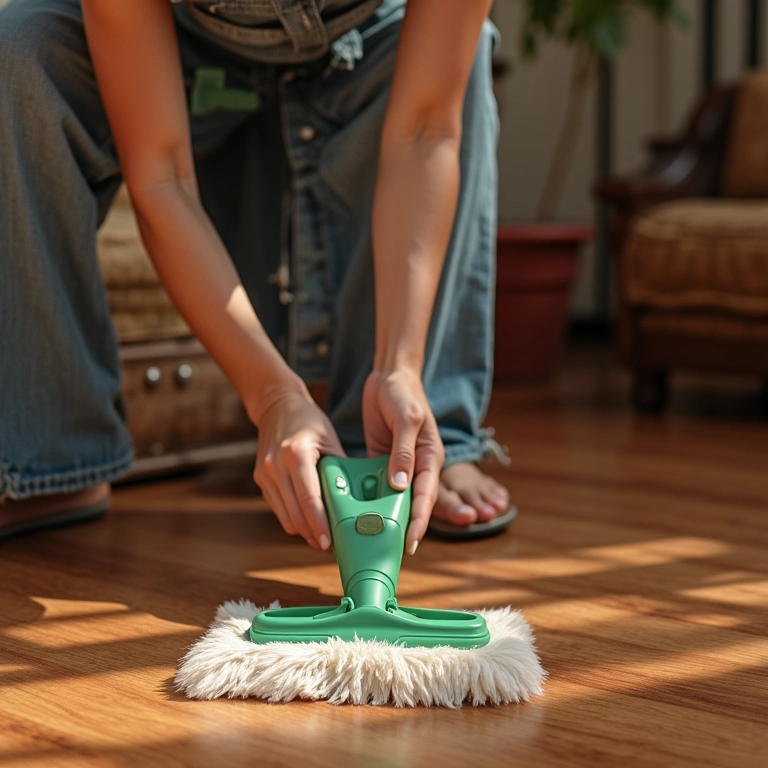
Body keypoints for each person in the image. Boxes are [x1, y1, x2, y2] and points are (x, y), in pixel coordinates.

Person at [0, 0, 514, 551]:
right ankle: (51, 452)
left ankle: (421, 432)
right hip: (183, 63)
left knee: (468, 49)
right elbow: (161, 176)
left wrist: (400, 365)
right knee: (22, 49)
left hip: (368, 58)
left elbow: (426, 129)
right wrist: (273, 398)